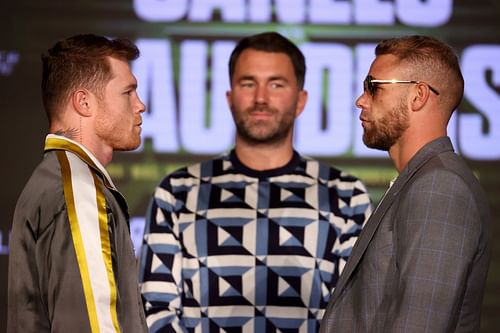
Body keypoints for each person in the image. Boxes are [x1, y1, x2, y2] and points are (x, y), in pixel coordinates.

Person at [139, 31, 372, 332]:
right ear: (229, 97)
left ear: (301, 100)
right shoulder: (178, 191)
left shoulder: (345, 195)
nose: (261, 98)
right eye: (248, 83)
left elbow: (357, 314)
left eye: (276, 84)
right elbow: (155, 310)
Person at [319, 35, 492, 333]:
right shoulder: (420, 181)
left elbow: (421, 325)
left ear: (418, 96)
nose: (361, 100)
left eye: (374, 87)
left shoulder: (439, 187)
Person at [8, 34, 148, 332]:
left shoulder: (53, 179)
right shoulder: (78, 190)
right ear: (84, 102)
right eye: (128, 92)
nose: (140, 105)